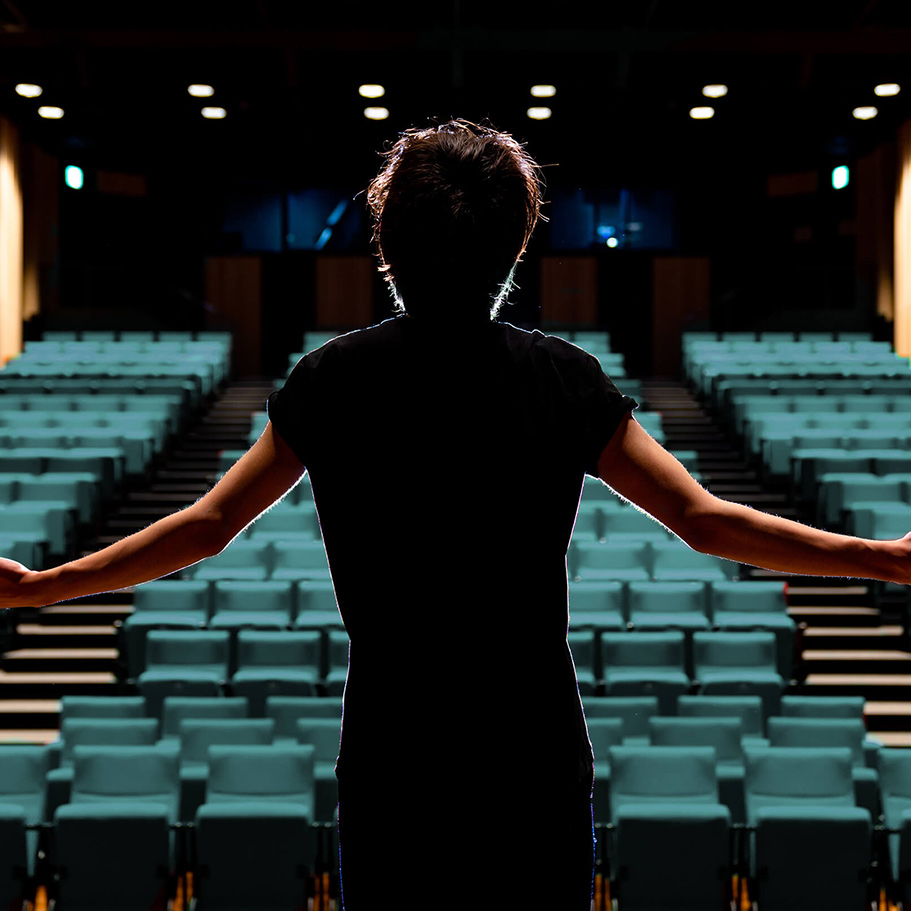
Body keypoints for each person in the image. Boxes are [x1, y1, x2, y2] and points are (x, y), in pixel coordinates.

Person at [1, 118, 910, 910]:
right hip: (530, 750)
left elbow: (205, 526)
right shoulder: (561, 378)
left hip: (396, 753)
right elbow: (705, 520)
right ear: (514, 249)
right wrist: (886, 559)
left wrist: (45, 587)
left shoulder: (334, 380)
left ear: (387, 244)